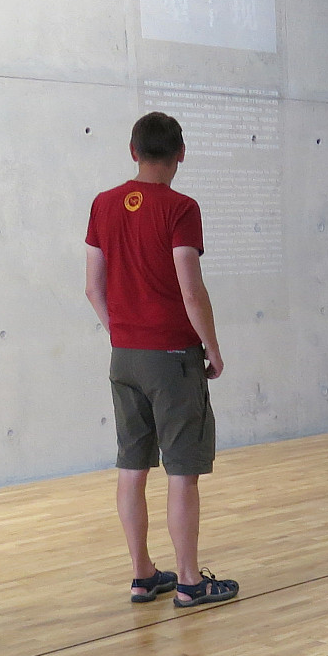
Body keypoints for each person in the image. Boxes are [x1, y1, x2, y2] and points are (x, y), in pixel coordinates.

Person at [84, 112, 239, 608]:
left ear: (133, 151)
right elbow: (191, 289)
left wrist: (122, 334)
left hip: (124, 357)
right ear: (181, 154)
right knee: (181, 472)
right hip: (172, 358)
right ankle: (190, 582)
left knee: (132, 468)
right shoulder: (181, 208)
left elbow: (92, 287)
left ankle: (142, 575)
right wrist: (211, 347)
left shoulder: (103, 204)